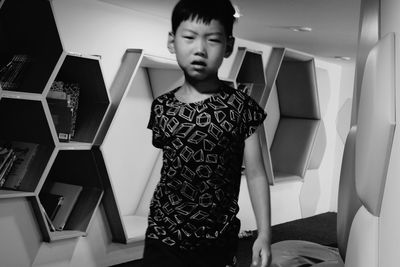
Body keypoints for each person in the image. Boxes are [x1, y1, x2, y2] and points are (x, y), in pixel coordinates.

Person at [143, 0, 271, 266]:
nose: (199, 49)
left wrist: (265, 234)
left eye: (212, 40)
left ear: (229, 46)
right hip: (162, 233)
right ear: (172, 41)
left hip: (216, 238)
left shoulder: (242, 108)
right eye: (189, 37)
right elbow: (169, 169)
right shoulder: (162, 107)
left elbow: (256, 173)